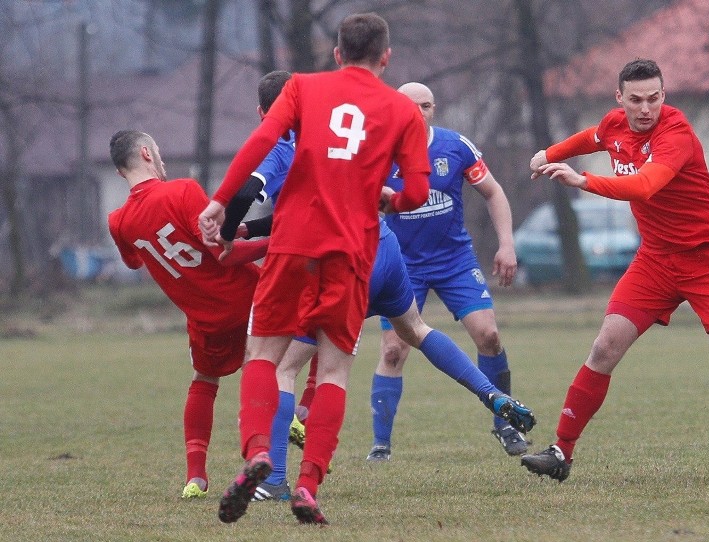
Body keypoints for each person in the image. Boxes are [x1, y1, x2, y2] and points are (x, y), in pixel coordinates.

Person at [223, 70, 535, 502]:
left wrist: (225, 228)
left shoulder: (279, 145)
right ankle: (491, 394)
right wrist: (249, 235)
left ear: (266, 113)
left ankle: (274, 478)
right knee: (414, 330)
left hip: (341, 261)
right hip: (385, 248)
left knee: (284, 366)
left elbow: (255, 194)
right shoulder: (343, 135)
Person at [199, 13, 433, 525]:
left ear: (336, 53)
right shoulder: (403, 111)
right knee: (333, 371)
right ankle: (307, 486)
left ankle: (260, 450)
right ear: (386, 57)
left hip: (292, 243)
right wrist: (388, 196)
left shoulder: (302, 88)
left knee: (263, 354)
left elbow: (262, 143)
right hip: (351, 253)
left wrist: (221, 201)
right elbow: (416, 192)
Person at [521, 59, 709, 483]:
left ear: (663, 96)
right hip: (656, 261)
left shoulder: (676, 133)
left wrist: (583, 182)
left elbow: (644, 185)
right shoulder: (615, 124)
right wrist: (548, 155)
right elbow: (591, 137)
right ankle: (561, 452)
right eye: (635, 100)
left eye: (653, 98)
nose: (645, 108)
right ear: (620, 99)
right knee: (604, 347)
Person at [106, 130, 269, 501]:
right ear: (147, 153)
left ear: (119, 172)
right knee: (274, 367)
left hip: (204, 317)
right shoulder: (182, 191)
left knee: (204, 381)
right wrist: (279, 243)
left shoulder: (118, 221)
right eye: (159, 152)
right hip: (248, 297)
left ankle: (196, 476)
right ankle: (281, 435)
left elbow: (132, 261)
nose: (161, 159)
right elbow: (221, 253)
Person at [373, 81, 526, 459]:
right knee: (394, 350)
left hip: (453, 260)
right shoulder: (377, 153)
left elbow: (494, 192)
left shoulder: (455, 147)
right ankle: (381, 446)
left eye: (425, 105)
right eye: (410, 106)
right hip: (401, 264)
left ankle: (504, 423)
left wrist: (506, 243)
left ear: (433, 108)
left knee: (488, 335)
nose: (418, 113)